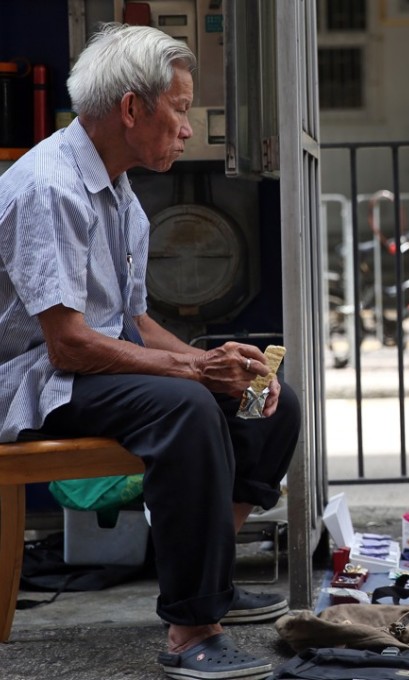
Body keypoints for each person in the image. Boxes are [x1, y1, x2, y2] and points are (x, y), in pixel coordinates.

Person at [0, 24, 300, 680]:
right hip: (34, 381)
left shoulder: (117, 187)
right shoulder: (50, 186)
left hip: (82, 364)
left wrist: (219, 359)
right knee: (187, 405)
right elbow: (69, 344)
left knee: (266, 399)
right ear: (133, 109)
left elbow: (132, 321)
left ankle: (209, 575)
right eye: (182, 110)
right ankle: (191, 629)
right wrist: (195, 367)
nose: (189, 129)